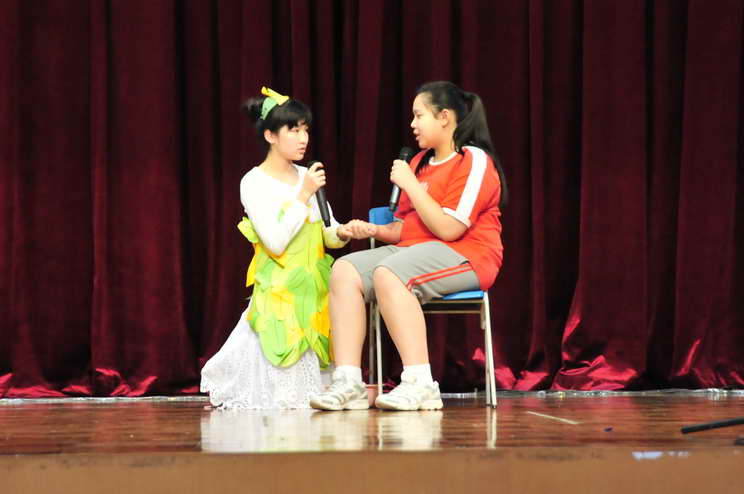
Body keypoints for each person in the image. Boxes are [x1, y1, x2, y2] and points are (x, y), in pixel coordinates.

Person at [310, 81, 507, 411]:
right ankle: (349, 382)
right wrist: (374, 230)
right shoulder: (417, 162)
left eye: (419, 115)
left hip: (467, 254)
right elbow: (407, 230)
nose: (413, 124)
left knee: (390, 273)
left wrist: (412, 185)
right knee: (344, 270)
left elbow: (448, 229)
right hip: (413, 253)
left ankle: (420, 383)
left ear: (444, 117)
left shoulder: (473, 160)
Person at [201, 87, 352, 409]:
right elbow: (275, 241)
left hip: (314, 289)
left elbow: (326, 231)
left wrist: (344, 232)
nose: (303, 138)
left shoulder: (305, 175)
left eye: (305, 130)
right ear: (270, 135)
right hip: (280, 294)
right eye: (293, 130)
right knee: (282, 385)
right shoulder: (254, 182)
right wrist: (303, 194)